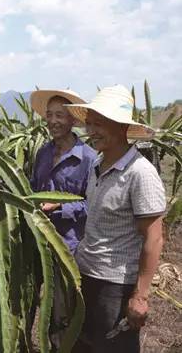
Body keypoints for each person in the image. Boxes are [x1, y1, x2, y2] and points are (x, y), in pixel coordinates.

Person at [66, 85, 165, 353]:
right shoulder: (98, 164)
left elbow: (154, 238)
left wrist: (140, 296)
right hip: (86, 274)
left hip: (116, 286)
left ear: (122, 127)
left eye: (100, 124)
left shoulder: (140, 173)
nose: (92, 131)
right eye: (89, 124)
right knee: (83, 344)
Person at [29, 89, 97, 349]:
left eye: (60, 115)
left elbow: (92, 204)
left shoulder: (89, 159)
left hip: (68, 246)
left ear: (73, 121)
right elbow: (34, 188)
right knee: (31, 302)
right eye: (49, 115)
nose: (53, 121)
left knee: (60, 313)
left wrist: (60, 207)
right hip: (37, 242)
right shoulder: (43, 153)